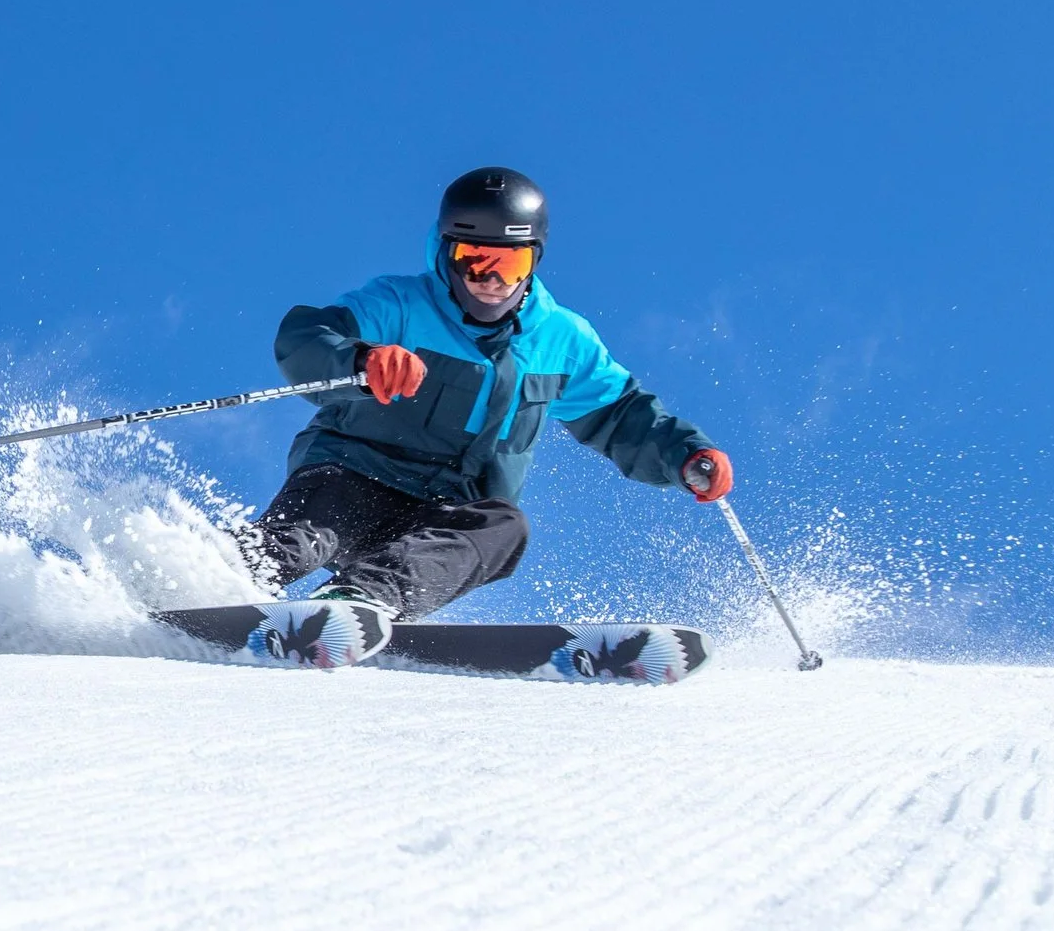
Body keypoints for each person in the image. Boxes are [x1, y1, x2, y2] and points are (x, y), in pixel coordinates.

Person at [250, 166, 733, 620]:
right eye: (474, 260)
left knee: (503, 527)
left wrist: (684, 454)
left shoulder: (561, 340)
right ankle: (220, 574)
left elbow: (622, 415)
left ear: (534, 259)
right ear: (446, 252)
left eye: (510, 262)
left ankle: (358, 602)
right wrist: (361, 359)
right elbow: (308, 338)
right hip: (354, 473)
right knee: (305, 531)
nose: (492, 280)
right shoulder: (398, 305)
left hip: (443, 513)